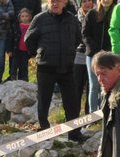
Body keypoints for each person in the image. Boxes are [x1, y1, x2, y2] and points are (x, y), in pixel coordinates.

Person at [25, 0, 84, 142]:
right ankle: (44, 130)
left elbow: (77, 38)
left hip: (67, 68)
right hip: (46, 67)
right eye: (52, 1)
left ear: (65, 2)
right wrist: (39, 54)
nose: (55, 3)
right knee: (44, 101)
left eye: (58, 1)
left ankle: (74, 133)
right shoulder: (40, 19)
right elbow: (29, 40)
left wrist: (69, 52)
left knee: (72, 102)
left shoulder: (71, 19)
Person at [82, 0, 116, 111]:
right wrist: (96, 49)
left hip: (109, 56)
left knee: (107, 85)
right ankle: (93, 115)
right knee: (94, 86)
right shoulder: (92, 13)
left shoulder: (117, 11)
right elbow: (85, 34)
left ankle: (105, 111)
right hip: (92, 55)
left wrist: (108, 51)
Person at [74, 0, 95, 115]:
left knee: (91, 88)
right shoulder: (74, 18)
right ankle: (74, 115)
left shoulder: (97, 16)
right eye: (84, 1)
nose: (87, 4)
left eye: (90, 1)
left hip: (92, 56)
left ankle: (90, 116)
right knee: (76, 87)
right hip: (78, 56)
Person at [9, 8, 33, 81]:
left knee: (24, 66)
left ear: (30, 17)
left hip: (26, 50)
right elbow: (11, 38)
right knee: (14, 64)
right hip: (17, 49)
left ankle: (24, 79)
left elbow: (34, 39)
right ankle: (12, 77)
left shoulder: (32, 26)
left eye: (26, 16)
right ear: (20, 17)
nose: (25, 18)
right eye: (22, 16)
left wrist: (33, 51)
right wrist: (9, 50)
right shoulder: (16, 26)